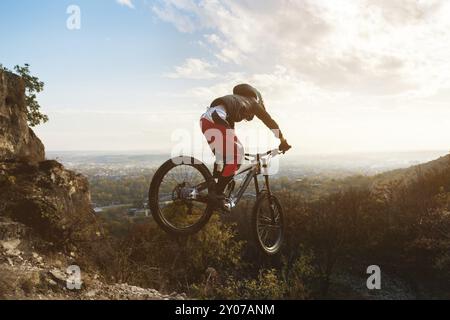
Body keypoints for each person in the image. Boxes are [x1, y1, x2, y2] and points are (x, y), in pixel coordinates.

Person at [200, 84, 291, 212]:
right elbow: (269, 121)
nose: (247, 119)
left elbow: (229, 137)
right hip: (216, 119)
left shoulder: (234, 103)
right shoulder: (252, 102)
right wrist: (282, 140)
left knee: (227, 157)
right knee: (238, 155)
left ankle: (215, 187)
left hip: (206, 120)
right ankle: (217, 194)